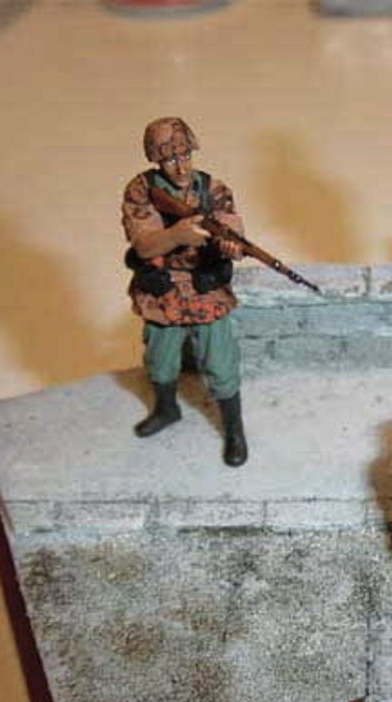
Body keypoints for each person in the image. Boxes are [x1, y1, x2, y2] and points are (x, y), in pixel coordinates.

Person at [121, 117, 248, 466]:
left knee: (220, 364)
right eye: (169, 159)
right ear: (155, 159)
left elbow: (232, 225)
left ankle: (234, 429)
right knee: (160, 362)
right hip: (163, 289)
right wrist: (178, 235)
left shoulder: (212, 188)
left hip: (205, 287)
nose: (179, 167)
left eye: (185, 156)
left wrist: (232, 243)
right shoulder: (141, 190)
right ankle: (166, 409)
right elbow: (144, 245)